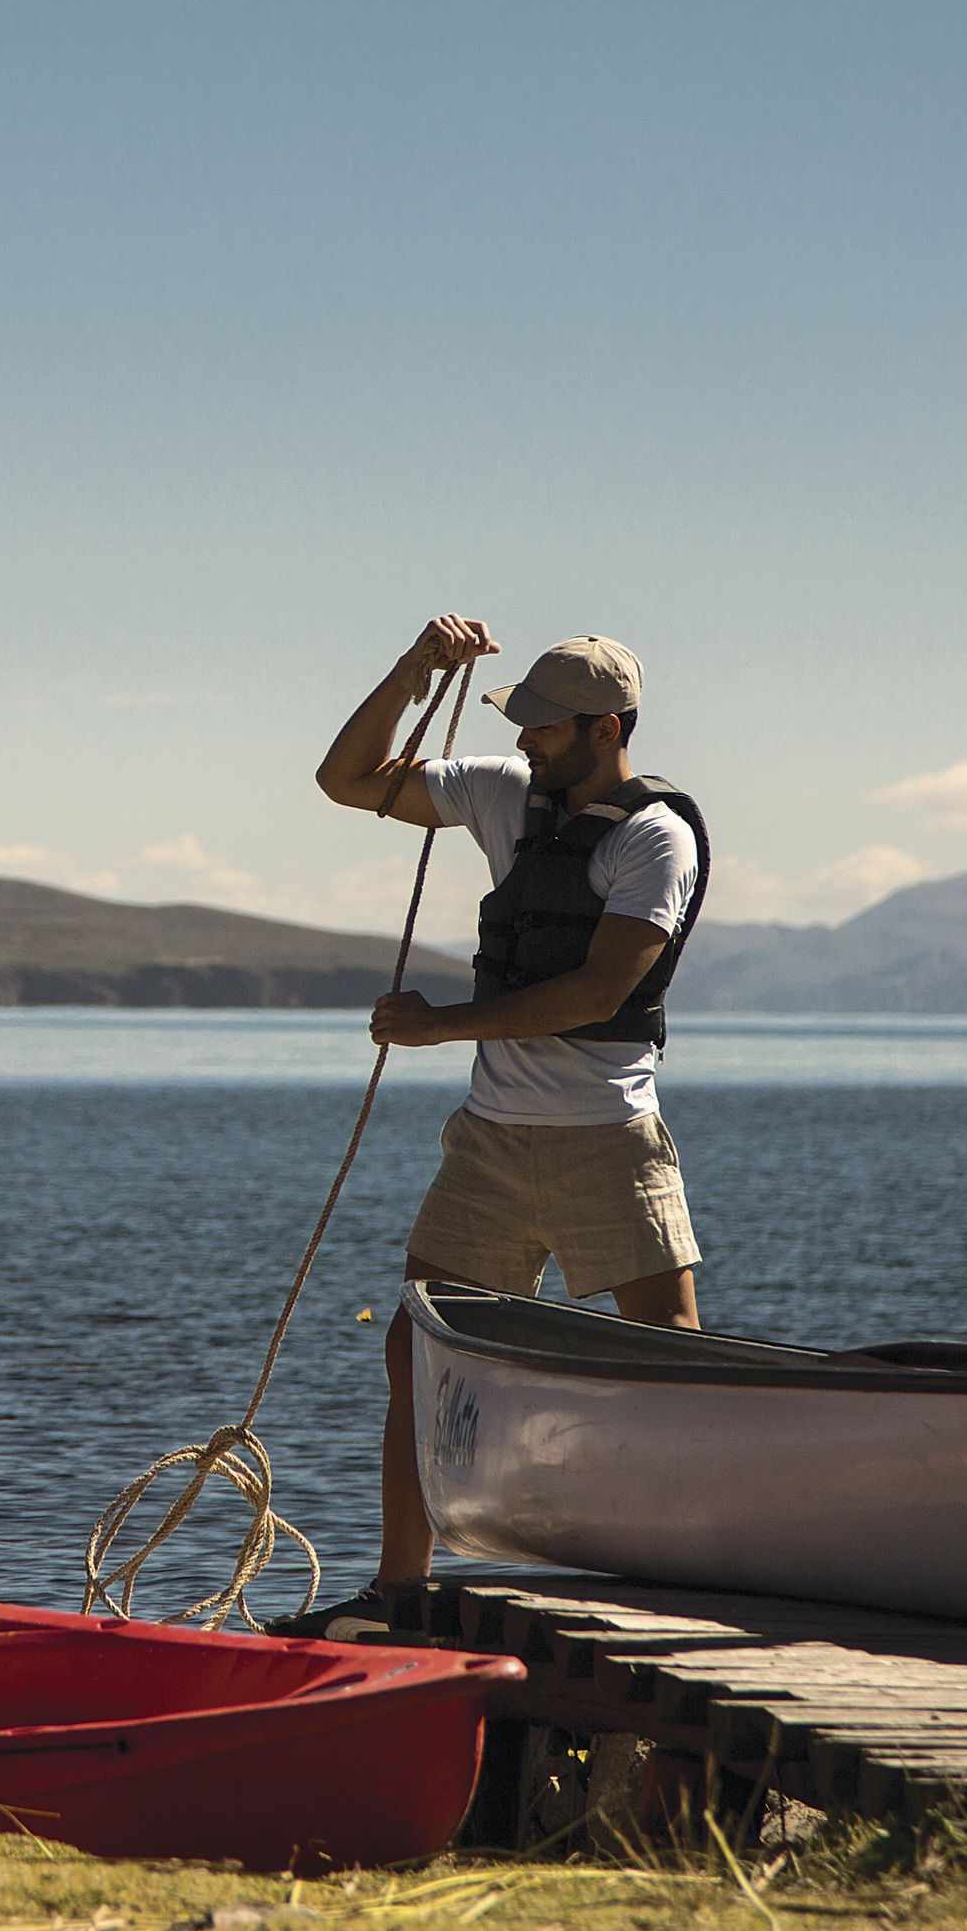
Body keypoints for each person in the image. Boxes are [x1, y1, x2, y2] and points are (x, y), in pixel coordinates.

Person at [278, 617, 711, 1640]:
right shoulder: (498, 793)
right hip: (490, 1141)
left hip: (608, 1136)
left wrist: (442, 1028)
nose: (525, 743)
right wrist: (411, 669)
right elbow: (348, 778)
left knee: (673, 1361)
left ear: (608, 728)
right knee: (418, 1355)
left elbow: (600, 988)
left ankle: (689, 1585)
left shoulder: (656, 837)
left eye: (547, 730)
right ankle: (399, 1596)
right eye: (520, 723)